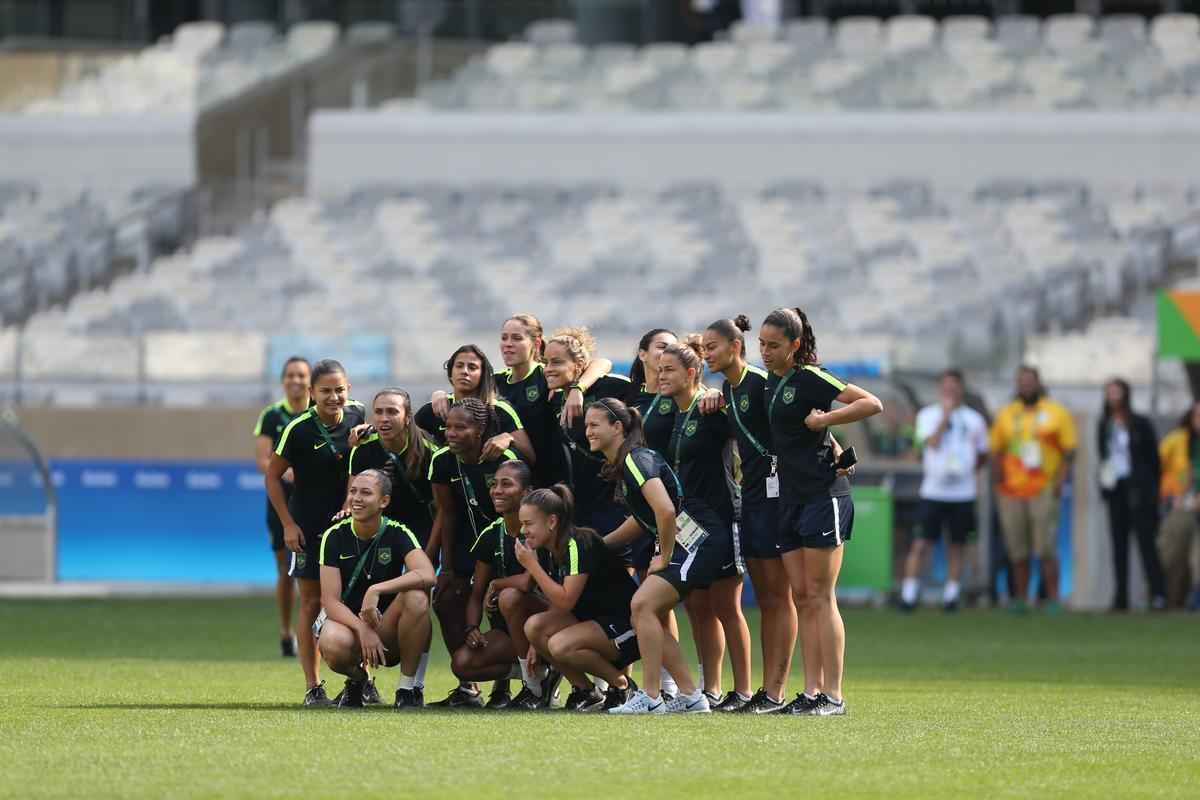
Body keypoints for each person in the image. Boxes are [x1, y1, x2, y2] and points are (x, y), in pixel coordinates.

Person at [760, 307, 883, 716]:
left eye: (774, 345)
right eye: (761, 344)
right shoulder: (770, 384)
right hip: (789, 498)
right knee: (802, 596)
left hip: (823, 495)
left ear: (796, 345)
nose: (766, 352)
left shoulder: (811, 376)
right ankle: (811, 692)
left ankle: (833, 695)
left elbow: (871, 403)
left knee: (821, 595)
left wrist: (826, 420)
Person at [590, 398, 727, 714]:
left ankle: (651, 698)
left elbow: (666, 511)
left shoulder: (637, 459)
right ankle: (692, 697)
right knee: (643, 610)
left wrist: (663, 556)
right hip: (685, 540)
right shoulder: (629, 463)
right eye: (587, 425)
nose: (588, 431)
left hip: (698, 540)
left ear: (618, 427)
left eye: (594, 424)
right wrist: (600, 545)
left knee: (642, 604)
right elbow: (644, 518)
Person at [702, 316, 797, 714]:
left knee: (780, 596)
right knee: (767, 598)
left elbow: (793, 425)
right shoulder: (727, 387)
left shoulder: (761, 384)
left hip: (778, 499)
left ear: (733, 347)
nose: (707, 354)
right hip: (753, 498)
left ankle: (775, 691)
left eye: (713, 347)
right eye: (704, 348)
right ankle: (760, 690)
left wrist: (835, 451)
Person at [658, 336, 753, 711]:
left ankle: (744, 690)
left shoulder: (710, 407)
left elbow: (753, 429)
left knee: (727, 606)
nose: (661, 377)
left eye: (669, 370)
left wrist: (720, 395)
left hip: (722, 517)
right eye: (660, 369)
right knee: (697, 605)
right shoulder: (676, 412)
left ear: (692, 372)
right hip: (687, 525)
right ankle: (710, 687)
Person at [266, 359, 367, 708]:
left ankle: (362, 681)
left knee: (355, 600)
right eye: (325, 391)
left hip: (350, 528)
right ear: (311, 393)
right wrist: (288, 525)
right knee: (311, 604)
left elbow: (361, 466)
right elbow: (272, 477)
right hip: (308, 528)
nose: (334, 397)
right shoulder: (298, 429)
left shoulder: (358, 416)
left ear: (349, 389)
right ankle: (313, 687)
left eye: (340, 389)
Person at [427, 398, 520, 708]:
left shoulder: (503, 458)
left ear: (480, 430)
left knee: (501, 604)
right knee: (447, 597)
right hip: (470, 546)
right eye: (448, 427)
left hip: (508, 543)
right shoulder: (441, 461)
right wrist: (447, 567)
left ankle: (511, 684)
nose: (451, 433)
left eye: (460, 427)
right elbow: (447, 514)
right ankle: (468, 686)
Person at [316, 470, 435, 709]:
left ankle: (406, 689)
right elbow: (330, 602)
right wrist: (362, 628)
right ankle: (358, 680)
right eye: (353, 491)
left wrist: (376, 590)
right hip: (349, 628)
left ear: (384, 501)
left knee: (417, 598)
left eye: (366, 493)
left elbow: (428, 575)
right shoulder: (334, 536)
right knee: (330, 642)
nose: (356, 498)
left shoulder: (398, 532)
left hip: (387, 628)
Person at [517, 485, 642, 712]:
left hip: (627, 629)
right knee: (534, 627)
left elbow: (565, 601)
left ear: (552, 522)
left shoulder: (577, 543)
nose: (523, 530)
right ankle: (587, 691)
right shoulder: (546, 548)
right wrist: (537, 643)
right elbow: (560, 603)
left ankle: (623, 687)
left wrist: (532, 566)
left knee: (559, 644)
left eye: (528, 523)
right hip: (593, 625)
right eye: (522, 523)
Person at [347, 388, 438, 693]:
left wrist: (433, 551)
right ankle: (361, 682)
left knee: (419, 601)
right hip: (378, 537)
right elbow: (352, 501)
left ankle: (413, 686)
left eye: (393, 412)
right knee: (364, 599)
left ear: (408, 416)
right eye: (380, 412)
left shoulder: (428, 451)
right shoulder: (363, 449)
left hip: (420, 538)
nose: (385, 418)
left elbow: (443, 509)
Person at [450, 460, 555, 709]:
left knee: (510, 596)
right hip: (510, 630)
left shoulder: (539, 530)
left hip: (549, 621)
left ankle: (534, 687)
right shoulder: (491, 534)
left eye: (506, 484)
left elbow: (528, 582)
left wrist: (497, 584)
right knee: (462, 663)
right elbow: (477, 593)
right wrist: (471, 627)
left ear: (526, 492)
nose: (497, 490)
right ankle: (539, 672)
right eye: (494, 484)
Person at [899, 369, 990, 613]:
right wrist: (945, 416)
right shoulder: (928, 416)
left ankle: (951, 594)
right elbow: (931, 443)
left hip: (963, 493)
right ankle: (909, 594)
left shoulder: (975, 420)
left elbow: (983, 455)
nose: (950, 390)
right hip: (933, 491)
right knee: (921, 543)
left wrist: (967, 471)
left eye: (955, 385)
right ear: (940, 389)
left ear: (961, 389)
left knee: (957, 544)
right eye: (946, 385)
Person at [989, 365, 1077, 614]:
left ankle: (1052, 600)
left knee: (1045, 547)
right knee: (1018, 549)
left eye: (1030, 381)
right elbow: (996, 450)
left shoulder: (1056, 413)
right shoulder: (1007, 414)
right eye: (1022, 382)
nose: (1026, 386)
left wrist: (1062, 481)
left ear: (1038, 383)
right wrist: (998, 482)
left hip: (1043, 488)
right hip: (1012, 491)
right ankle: (1020, 600)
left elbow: (1069, 451)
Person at [495, 314, 613, 487]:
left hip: (554, 481)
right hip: (516, 482)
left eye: (517, 338)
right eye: (504, 338)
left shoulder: (548, 375)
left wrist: (577, 389)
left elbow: (602, 363)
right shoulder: (495, 381)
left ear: (535, 344)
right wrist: (439, 396)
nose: (508, 344)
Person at [543, 326, 637, 534]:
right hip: (581, 502)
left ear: (579, 365)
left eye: (557, 362)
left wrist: (579, 389)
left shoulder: (607, 387)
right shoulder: (555, 396)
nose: (548, 368)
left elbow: (605, 364)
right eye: (546, 362)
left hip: (616, 498)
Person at [253, 356, 311, 657]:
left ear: (310, 380)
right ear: (283, 380)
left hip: (314, 503)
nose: (295, 380)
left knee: (317, 572)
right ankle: (286, 632)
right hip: (280, 504)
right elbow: (263, 459)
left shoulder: (319, 413)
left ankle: (316, 632)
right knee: (285, 571)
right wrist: (285, 471)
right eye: (290, 375)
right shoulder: (272, 416)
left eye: (301, 375)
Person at [1097, 378, 1167, 611]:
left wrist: (1152, 491)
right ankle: (1121, 597)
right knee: (1118, 545)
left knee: (1146, 544)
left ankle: (1158, 594)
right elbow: (1104, 458)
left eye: (1117, 391)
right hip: (1115, 488)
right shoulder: (1104, 424)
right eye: (1109, 392)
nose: (1113, 396)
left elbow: (1154, 462)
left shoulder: (1140, 423)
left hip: (1139, 490)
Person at [417, 343, 535, 464]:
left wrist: (508, 438)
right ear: (450, 373)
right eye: (459, 366)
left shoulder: (498, 409)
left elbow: (530, 456)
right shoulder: (434, 409)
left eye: (472, 367)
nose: (465, 371)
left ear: (482, 375)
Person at [1156, 404, 1200, 610]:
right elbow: (1156, 468)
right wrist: (1169, 495)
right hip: (1181, 506)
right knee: (1172, 556)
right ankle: (1173, 603)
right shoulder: (1176, 440)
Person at [631, 328, 680, 458]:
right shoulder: (629, 393)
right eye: (662, 347)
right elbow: (602, 363)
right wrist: (576, 389)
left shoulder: (680, 395)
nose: (667, 353)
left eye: (672, 350)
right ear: (642, 354)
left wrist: (713, 392)